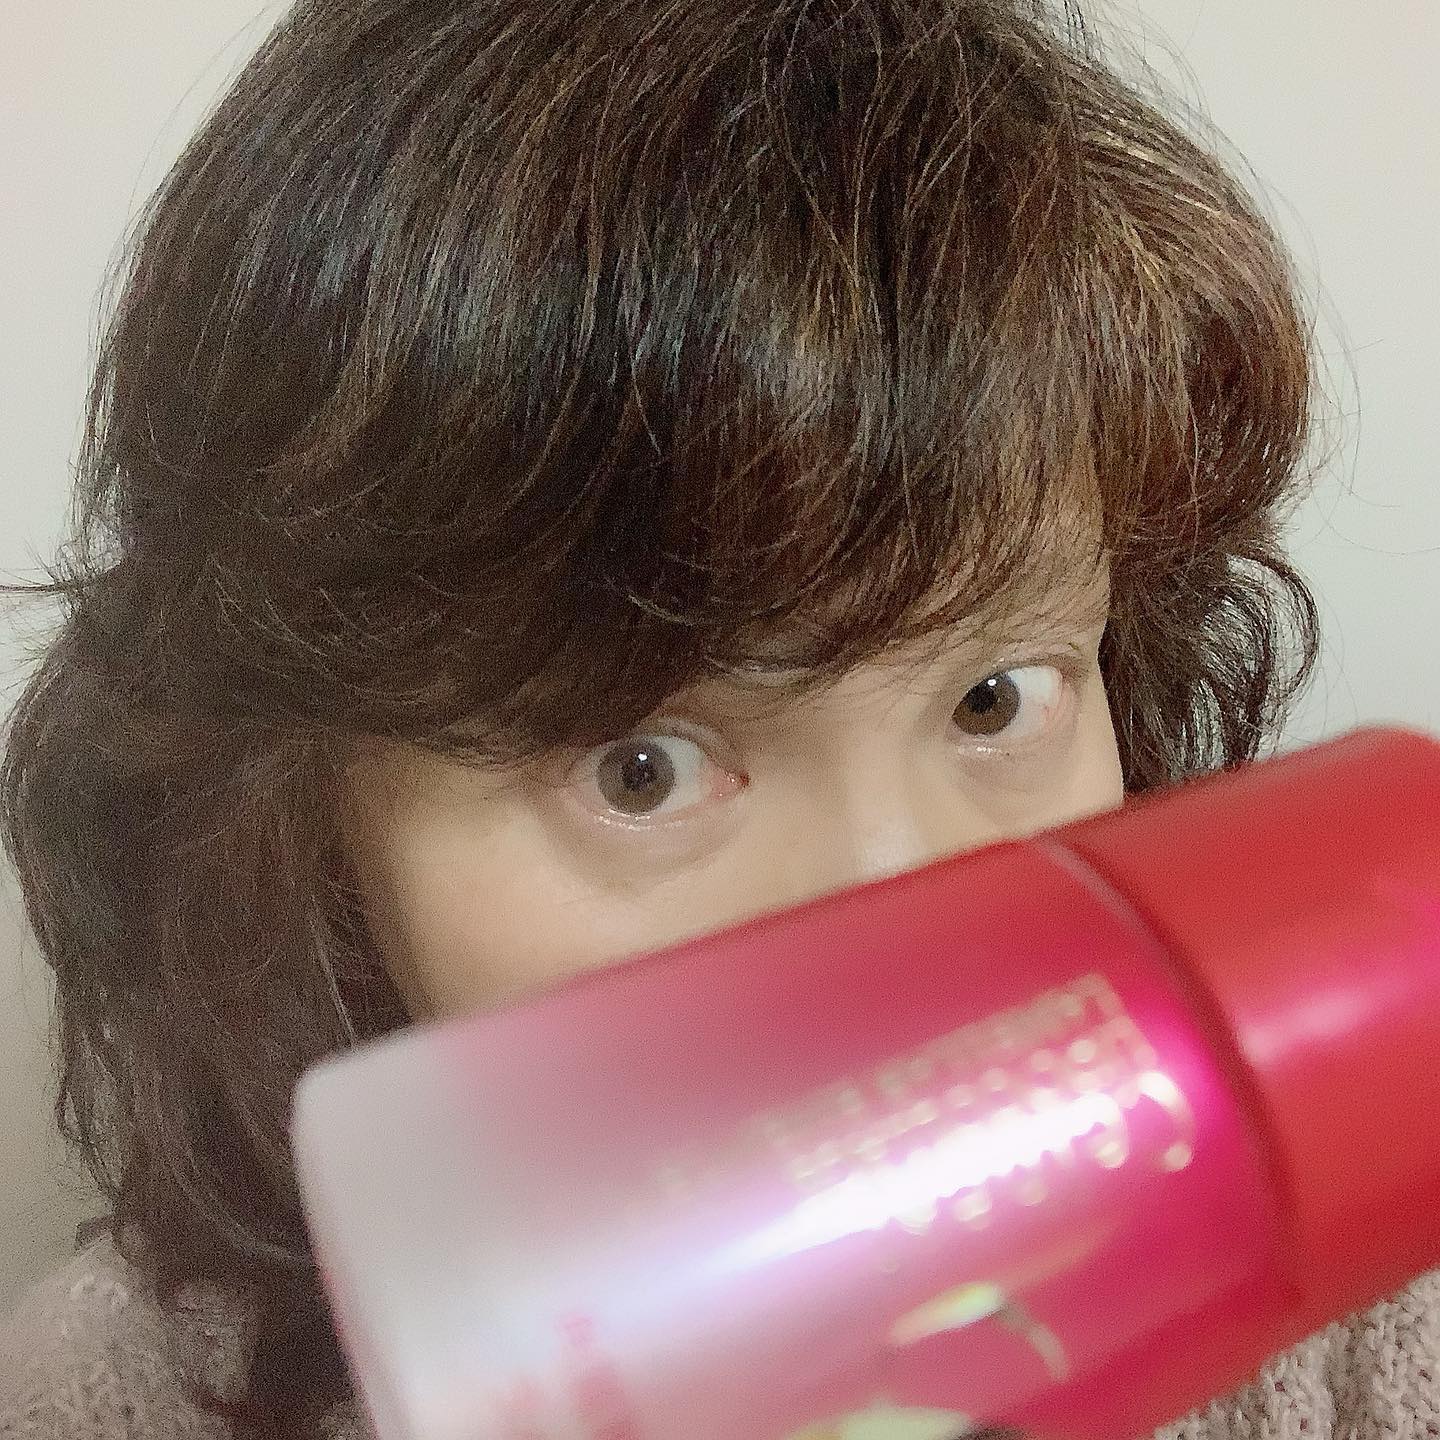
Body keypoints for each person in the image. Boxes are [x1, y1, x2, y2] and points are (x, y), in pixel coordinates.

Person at [4, 0, 1435, 1436]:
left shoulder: (1364, 1308)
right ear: (301, 816)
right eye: (642, 770)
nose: (911, 926)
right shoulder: (120, 1396)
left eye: (992, 700)